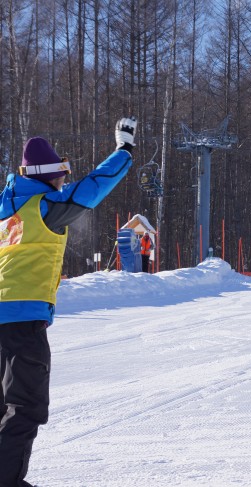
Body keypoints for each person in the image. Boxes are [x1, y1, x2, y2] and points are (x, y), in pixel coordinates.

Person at [0, 117, 137, 487]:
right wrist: (124, 151)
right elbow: (93, 188)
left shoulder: (5, 207)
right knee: (25, 406)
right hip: (22, 319)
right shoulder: (46, 205)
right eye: (60, 173)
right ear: (46, 176)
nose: (64, 179)